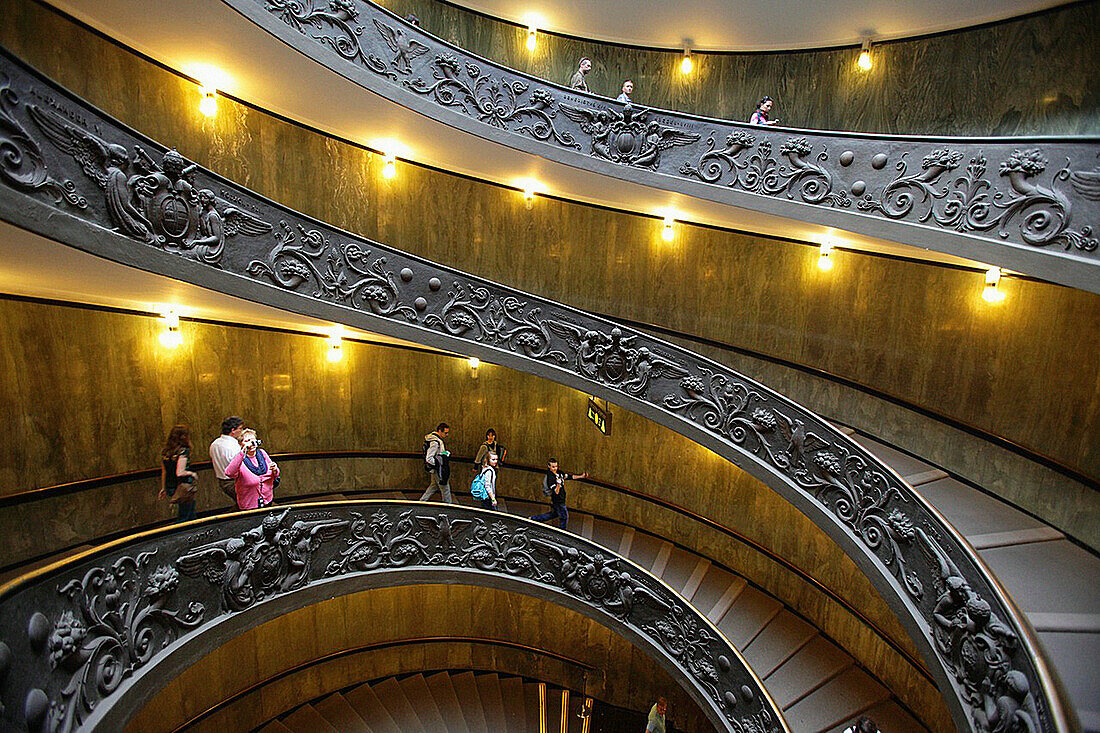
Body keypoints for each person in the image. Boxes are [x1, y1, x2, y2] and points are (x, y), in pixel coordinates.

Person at [224, 427, 279, 510]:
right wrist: (243, 452)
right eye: (247, 441)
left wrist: (275, 469)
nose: (251, 443)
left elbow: (275, 474)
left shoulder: (262, 453)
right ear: (240, 443)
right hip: (249, 506)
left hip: (267, 501)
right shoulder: (239, 459)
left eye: (253, 440)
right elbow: (229, 473)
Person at [531, 457, 588, 530]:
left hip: (562, 498)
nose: (555, 468)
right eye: (553, 467)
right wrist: (558, 484)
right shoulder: (550, 477)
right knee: (564, 516)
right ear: (549, 466)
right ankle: (562, 531)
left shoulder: (560, 473)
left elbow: (570, 476)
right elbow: (556, 492)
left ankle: (534, 519)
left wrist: (581, 476)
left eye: (556, 466)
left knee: (553, 514)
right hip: (558, 500)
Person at [159, 424, 198, 522]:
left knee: (189, 512)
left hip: (170, 485)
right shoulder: (183, 451)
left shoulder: (166, 452)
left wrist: (163, 488)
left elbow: (164, 471)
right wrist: (191, 474)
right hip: (183, 485)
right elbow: (180, 472)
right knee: (186, 515)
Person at [209, 415, 244, 502]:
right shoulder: (233, 446)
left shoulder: (214, 444)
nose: (242, 431)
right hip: (235, 482)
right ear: (233, 430)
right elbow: (239, 466)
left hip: (222, 481)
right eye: (240, 428)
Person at [418, 422, 453, 503]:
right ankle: (448, 506)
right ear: (440, 431)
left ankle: (422, 501)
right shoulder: (435, 442)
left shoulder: (432, 439)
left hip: (436, 468)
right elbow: (429, 458)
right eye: (445, 433)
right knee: (445, 488)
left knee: (434, 486)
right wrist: (439, 465)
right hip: (438, 469)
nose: (447, 435)